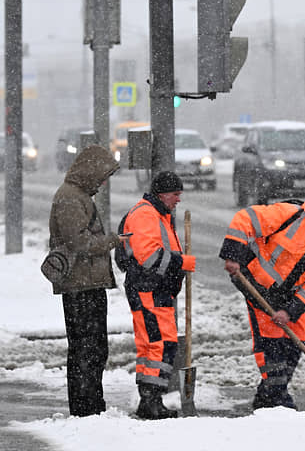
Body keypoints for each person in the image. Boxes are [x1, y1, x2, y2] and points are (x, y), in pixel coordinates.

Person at [219, 193, 305, 410]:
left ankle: (268, 395)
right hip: (255, 283)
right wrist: (232, 255)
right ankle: (276, 400)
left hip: (287, 297)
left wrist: (290, 311)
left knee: (295, 344)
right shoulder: (290, 216)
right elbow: (245, 218)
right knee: (272, 345)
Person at [47, 144, 122, 417]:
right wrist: (111, 241)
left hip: (87, 283)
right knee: (86, 348)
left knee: (93, 348)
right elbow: (79, 242)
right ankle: (85, 407)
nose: (102, 183)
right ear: (90, 171)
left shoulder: (77, 196)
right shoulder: (70, 198)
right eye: (102, 176)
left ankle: (91, 404)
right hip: (81, 285)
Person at [116, 171, 196, 419]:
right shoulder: (146, 215)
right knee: (162, 344)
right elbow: (150, 258)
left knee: (151, 345)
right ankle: (152, 401)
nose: (178, 199)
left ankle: (149, 400)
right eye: (175, 194)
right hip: (149, 289)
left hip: (151, 288)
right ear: (162, 194)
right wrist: (182, 263)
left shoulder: (157, 214)